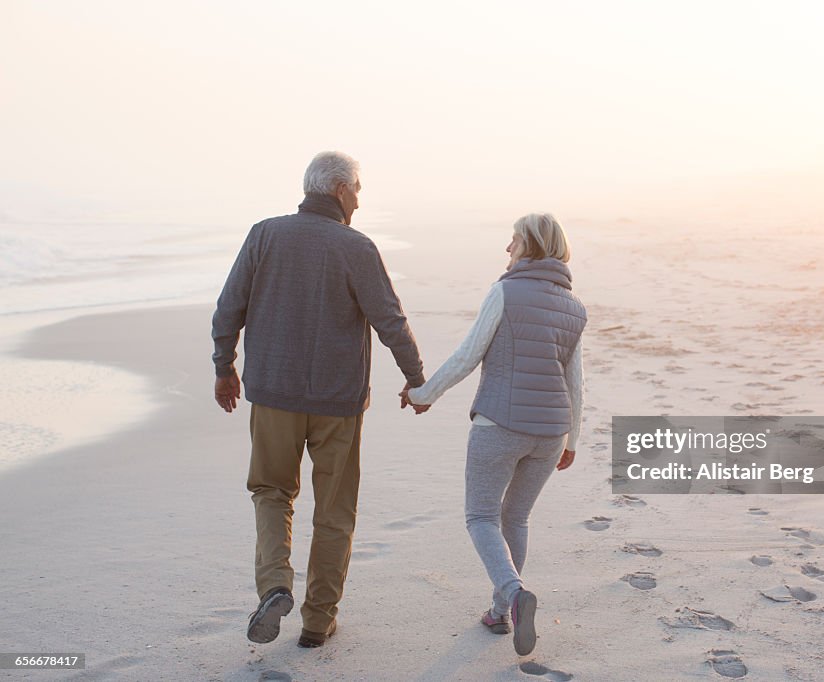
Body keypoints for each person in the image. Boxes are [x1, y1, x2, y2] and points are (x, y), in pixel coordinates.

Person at [211, 151, 425, 648]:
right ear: (339, 190)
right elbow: (390, 320)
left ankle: (275, 586)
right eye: (358, 190)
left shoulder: (265, 234)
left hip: (273, 394)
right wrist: (417, 380)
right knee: (334, 509)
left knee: (271, 491)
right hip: (338, 403)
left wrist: (225, 367)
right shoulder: (356, 246)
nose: (359, 200)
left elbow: (229, 307)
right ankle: (317, 620)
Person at [402, 214, 586, 657]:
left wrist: (424, 393)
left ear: (532, 246)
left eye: (514, 240)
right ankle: (501, 611)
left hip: (500, 426)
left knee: (481, 518)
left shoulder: (504, 291)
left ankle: (513, 592)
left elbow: (469, 353)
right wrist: (573, 440)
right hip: (551, 433)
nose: (508, 248)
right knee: (516, 519)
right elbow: (575, 380)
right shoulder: (575, 307)